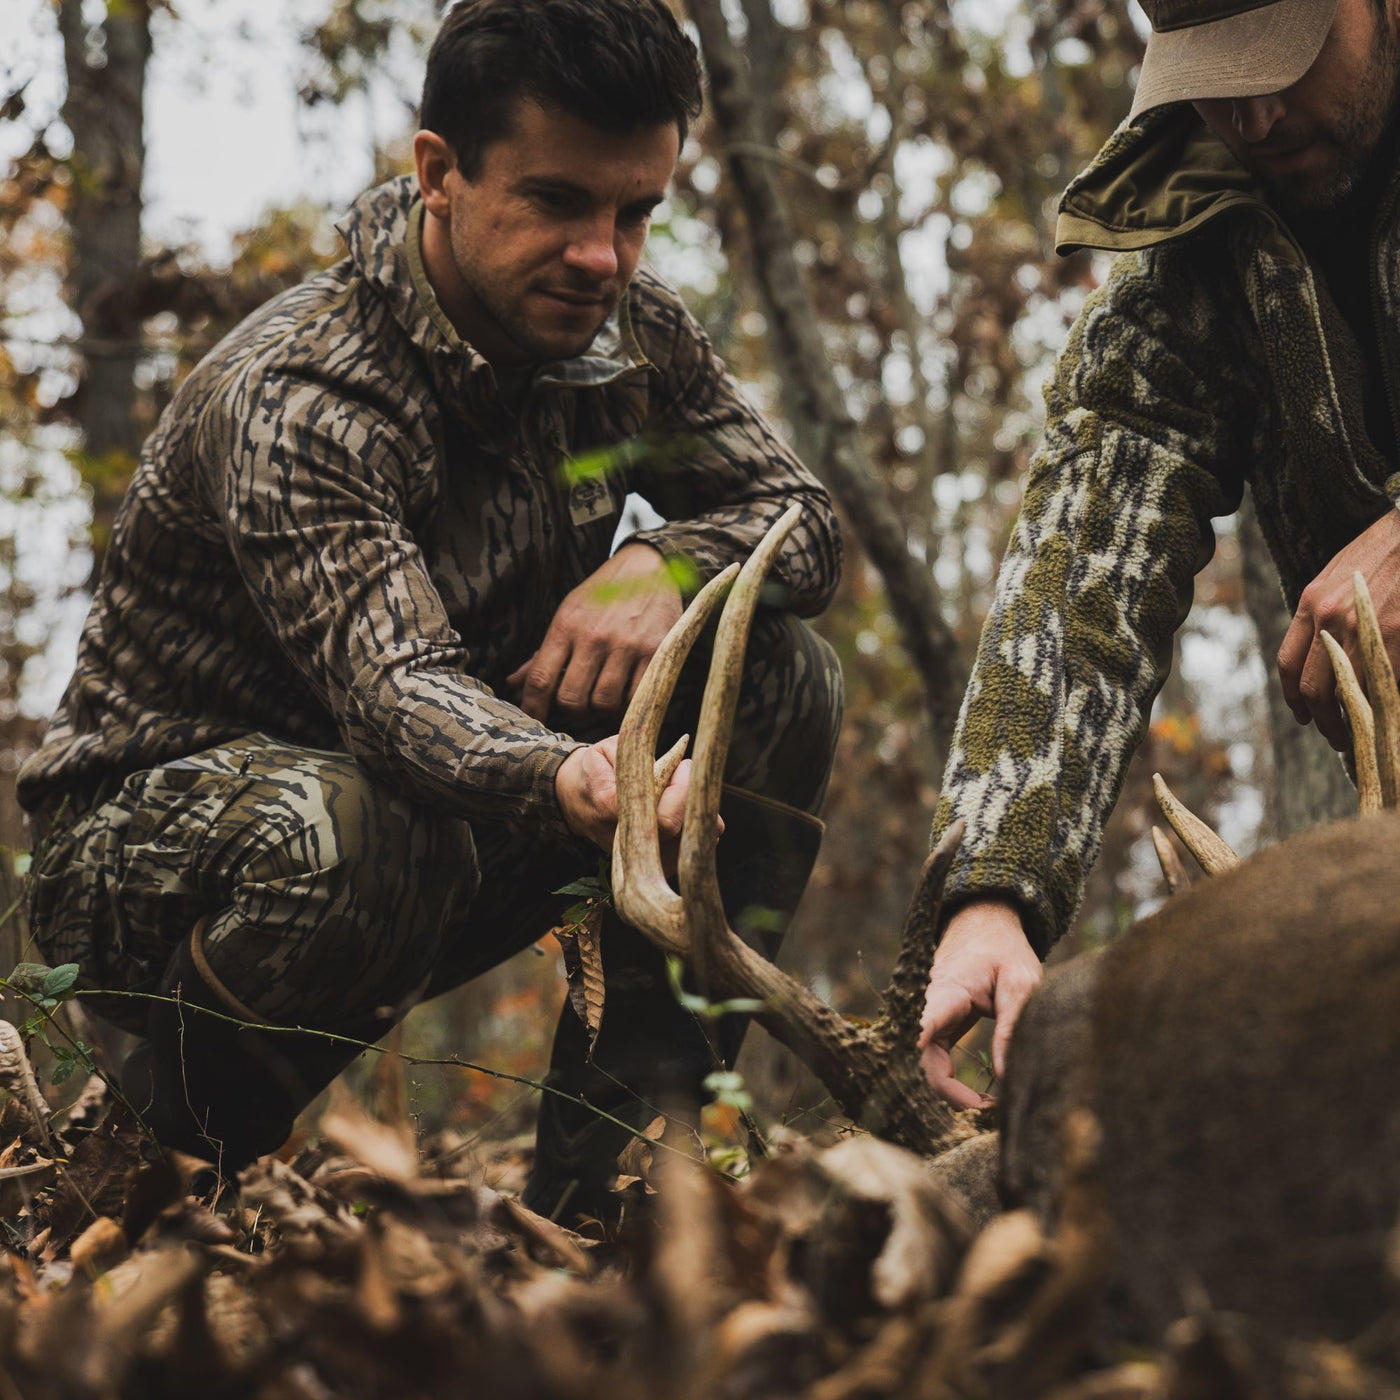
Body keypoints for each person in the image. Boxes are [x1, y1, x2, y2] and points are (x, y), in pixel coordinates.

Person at [18, 0, 844, 1218]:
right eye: (558, 201)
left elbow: (803, 525)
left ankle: (614, 1195)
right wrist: (580, 781)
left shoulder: (631, 331)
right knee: (365, 823)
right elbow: (399, 695)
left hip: (447, 816)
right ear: (436, 173)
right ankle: (153, 1170)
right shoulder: (303, 390)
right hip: (162, 862)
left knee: (775, 671)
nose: (602, 257)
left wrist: (669, 560)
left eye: (636, 212)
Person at [919, 0, 1400, 1105]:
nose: (1254, 111)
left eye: (1284, 57)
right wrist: (990, 892)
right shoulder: (1192, 229)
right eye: (1213, 69)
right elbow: (1091, 535)